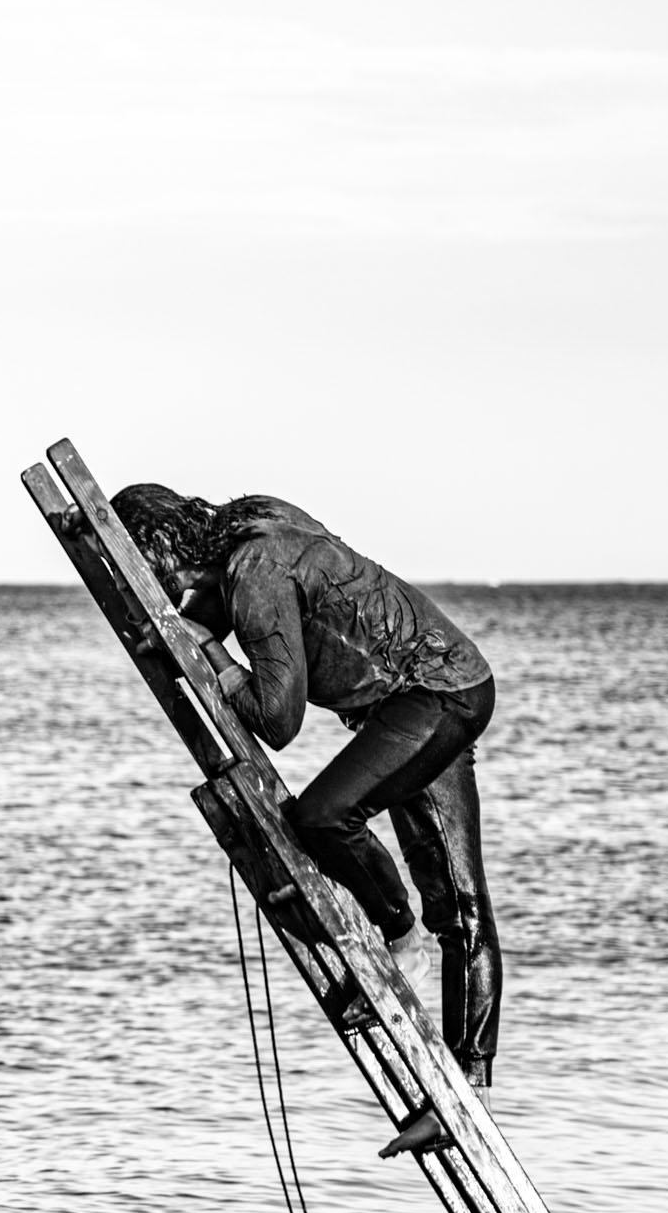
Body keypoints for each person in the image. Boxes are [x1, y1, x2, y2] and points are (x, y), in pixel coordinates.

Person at [112, 483, 503, 1159]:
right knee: (456, 903)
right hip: (428, 689)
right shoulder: (247, 527)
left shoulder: (254, 572)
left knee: (323, 818)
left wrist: (210, 653)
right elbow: (213, 604)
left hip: (436, 694)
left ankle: (401, 938)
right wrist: (186, 630)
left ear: (164, 550)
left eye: (145, 573)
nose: (155, 590)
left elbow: (277, 718)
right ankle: (463, 1098)